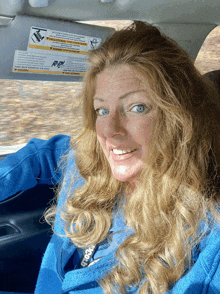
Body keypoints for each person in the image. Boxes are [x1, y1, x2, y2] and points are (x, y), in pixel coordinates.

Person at [1, 21, 220, 294]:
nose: (110, 132)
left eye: (137, 107)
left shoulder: (209, 241)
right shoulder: (88, 162)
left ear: (179, 118)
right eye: (102, 111)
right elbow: (43, 155)